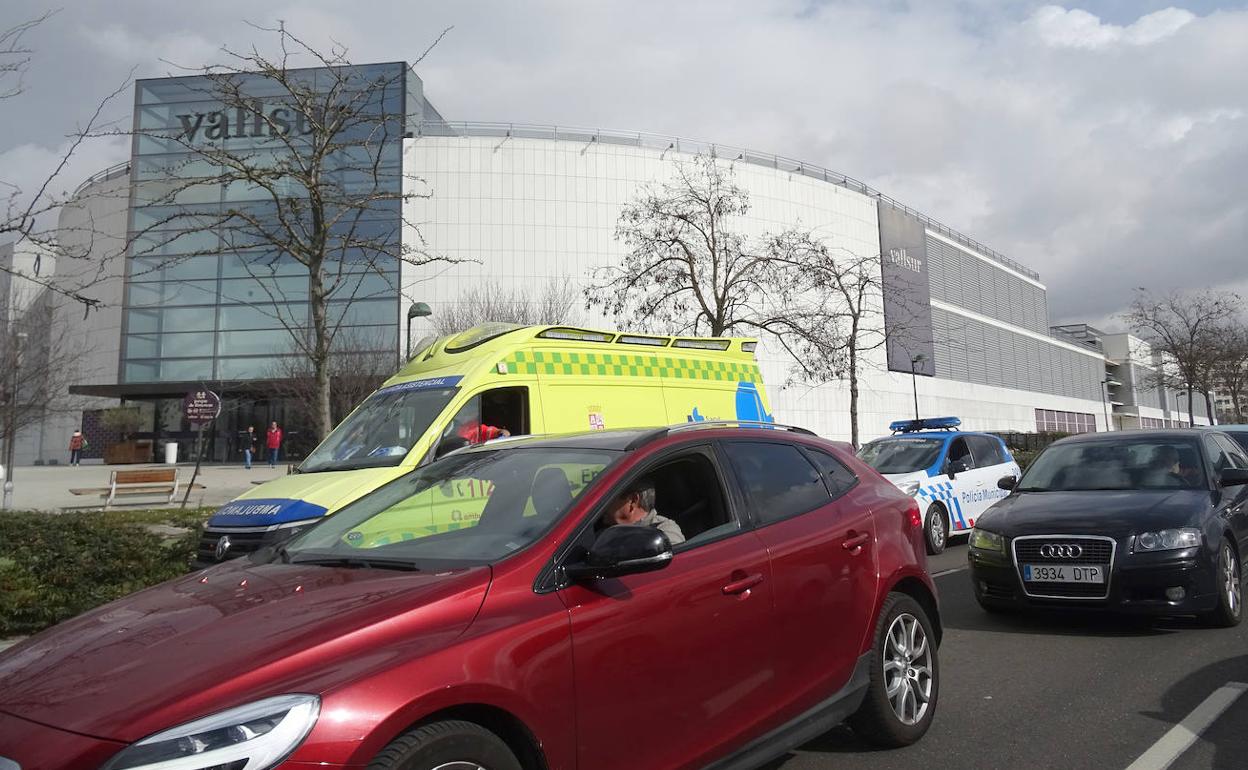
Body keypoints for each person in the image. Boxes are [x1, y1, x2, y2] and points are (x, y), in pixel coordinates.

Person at [600, 480, 685, 545]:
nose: (602, 506)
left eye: (608, 500)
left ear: (632, 501)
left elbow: (675, 563)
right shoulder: (601, 533)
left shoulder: (664, 532)